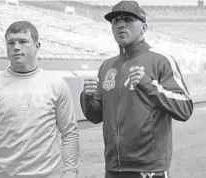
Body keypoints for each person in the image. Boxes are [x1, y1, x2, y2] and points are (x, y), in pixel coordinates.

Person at [80, 1, 193, 178]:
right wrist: (87, 98)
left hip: (149, 168)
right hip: (113, 167)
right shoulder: (106, 66)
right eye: (115, 21)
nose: (120, 24)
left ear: (144, 28)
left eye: (128, 19)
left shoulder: (161, 60)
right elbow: (95, 117)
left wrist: (149, 85)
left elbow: (185, 108)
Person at [0, 20, 80, 178]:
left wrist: (71, 171)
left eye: (23, 41)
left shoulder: (56, 84)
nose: (16, 47)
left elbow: (69, 132)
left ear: (37, 46)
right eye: (11, 42)